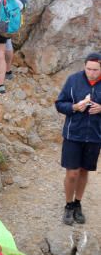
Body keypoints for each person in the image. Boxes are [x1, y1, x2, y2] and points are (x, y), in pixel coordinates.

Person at [55, 53, 101, 225]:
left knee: (84, 171)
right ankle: (68, 205)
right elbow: (60, 103)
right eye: (88, 69)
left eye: (95, 70)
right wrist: (74, 107)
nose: (91, 73)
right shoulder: (73, 80)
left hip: (95, 136)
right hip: (73, 134)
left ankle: (77, 204)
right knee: (72, 172)